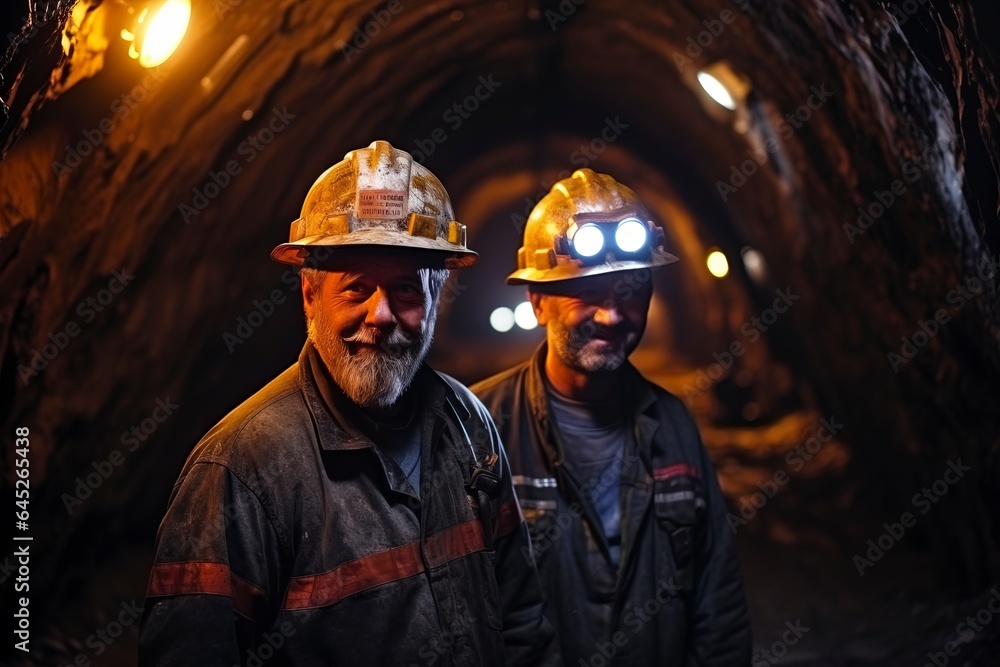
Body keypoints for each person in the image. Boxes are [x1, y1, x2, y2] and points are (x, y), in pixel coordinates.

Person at [139, 141, 560, 666]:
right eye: (356, 287)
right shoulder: (239, 470)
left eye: (406, 289)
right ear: (310, 296)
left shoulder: (470, 426)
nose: (380, 315)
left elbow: (521, 621)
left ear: (435, 299)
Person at [471, 169, 751, 666]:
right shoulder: (478, 429)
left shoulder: (674, 426)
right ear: (537, 301)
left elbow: (718, 601)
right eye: (587, 292)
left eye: (629, 290)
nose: (612, 314)